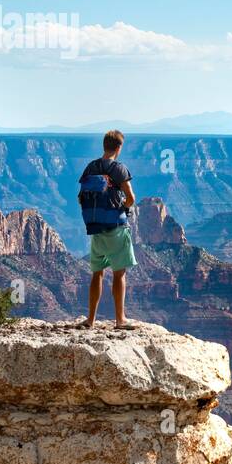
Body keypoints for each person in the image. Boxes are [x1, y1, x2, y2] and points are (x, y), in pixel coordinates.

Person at [77, 129, 137, 329]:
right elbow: (131, 198)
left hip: (95, 228)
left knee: (97, 273)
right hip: (116, 228)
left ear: (104, 145)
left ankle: (90, 320)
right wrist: (123, 208)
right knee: (119, 273)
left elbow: (80, 197)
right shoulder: (119, 169)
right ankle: (120, 320)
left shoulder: (91, 167)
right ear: (119, 147)